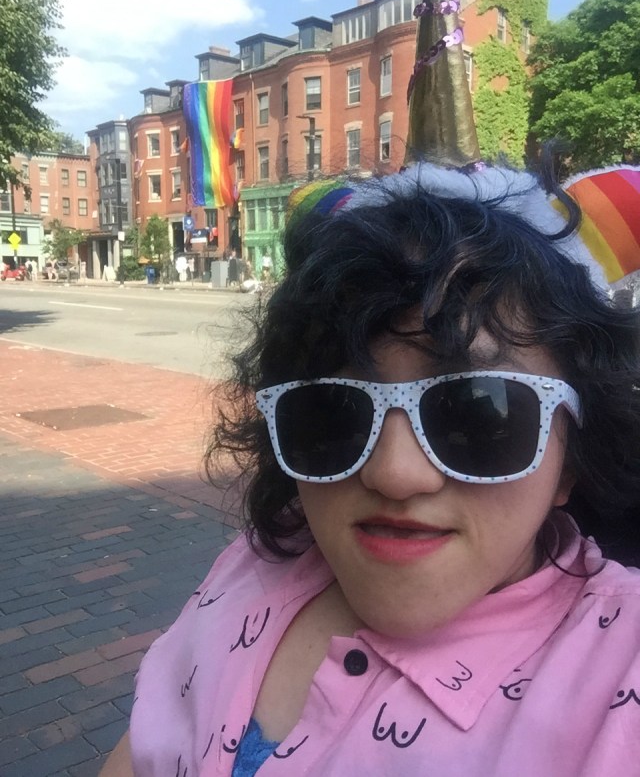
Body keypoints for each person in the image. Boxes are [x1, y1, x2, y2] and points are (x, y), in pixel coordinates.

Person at [100, 160, 640, 776]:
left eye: (479, 413)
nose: (395, 474)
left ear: (571, 454)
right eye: (333, 411)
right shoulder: (254, 563)